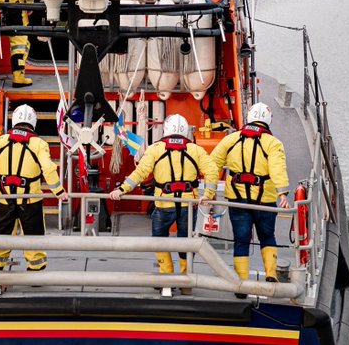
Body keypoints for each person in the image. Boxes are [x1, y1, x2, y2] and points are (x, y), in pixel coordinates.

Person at [110, 114, 218, 275]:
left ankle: (166, 274)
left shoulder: (155, 149)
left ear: (166, 129)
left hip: (163, 204)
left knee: (159, 239)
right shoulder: (196, 150)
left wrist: (121, 189)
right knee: (187, 243)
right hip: (188, 206)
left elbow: (140, 172)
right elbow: (212, 170)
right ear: (185, 131)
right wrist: (208, 194)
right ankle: (185, 277)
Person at [0, 104, 67, 275]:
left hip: (5, 200)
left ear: (14, 121)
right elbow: (48, 169)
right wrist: (59, 192)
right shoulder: (39, 144)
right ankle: (35, 271)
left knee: (2, 235)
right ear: (33, 122)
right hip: (31, 201)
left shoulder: (0, 141)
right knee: (33, 237)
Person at [209, 102, 290, 284]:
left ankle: (241, 282)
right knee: (267, 236)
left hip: (237, 200)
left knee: (241, 239)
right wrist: (282, 193)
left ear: (249, 117)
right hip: (265, 201)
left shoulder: (231, 139)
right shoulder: (273, 143)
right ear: (268, 120)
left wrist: (209, 191)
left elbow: (212, 164)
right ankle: (270, 274)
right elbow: (277, 169)